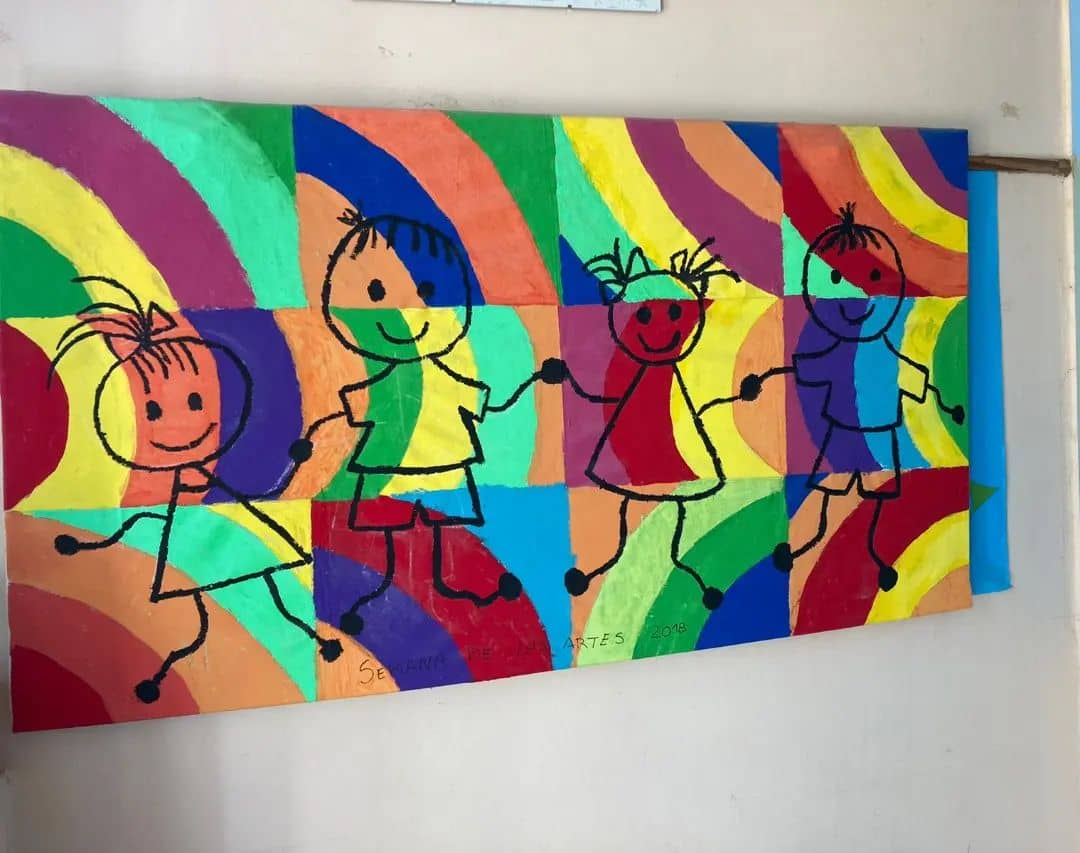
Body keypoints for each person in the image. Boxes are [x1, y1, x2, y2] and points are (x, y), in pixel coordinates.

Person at [50, 276, 341, 703]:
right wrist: (91, 544)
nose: (182, 425)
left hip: (237, 523)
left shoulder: (230, 479)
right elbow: (140, 519)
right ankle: (164, 674)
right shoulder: (164, 495)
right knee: (201, 617)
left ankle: (311, 639)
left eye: (195, 402)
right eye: (153, 410)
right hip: (194, 529)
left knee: (270, 588)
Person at [301, 208, 560, 635]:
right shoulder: (380, 385)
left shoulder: (449, 379)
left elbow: (492, 408)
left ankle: (443, 588)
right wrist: (311, 440)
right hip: (390, 471)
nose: (406, 312)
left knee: (438, 536)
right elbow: (343, 417)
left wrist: (535, 380)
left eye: (425, 292)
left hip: (442, 472)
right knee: (391, 535)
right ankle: (385, 590)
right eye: (378, 291)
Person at [739, 204, 964, 591]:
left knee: (872, 498)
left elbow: (919, 378)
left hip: (877, 440)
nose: (855, 294)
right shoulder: (836, 350)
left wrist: (945, 405)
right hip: (843, 437)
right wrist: (761, 378)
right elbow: (796, 369)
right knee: (832, 495)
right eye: (836, 278)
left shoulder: (888, 349)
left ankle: (874, 556)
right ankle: (806, 546)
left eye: (872, 277)